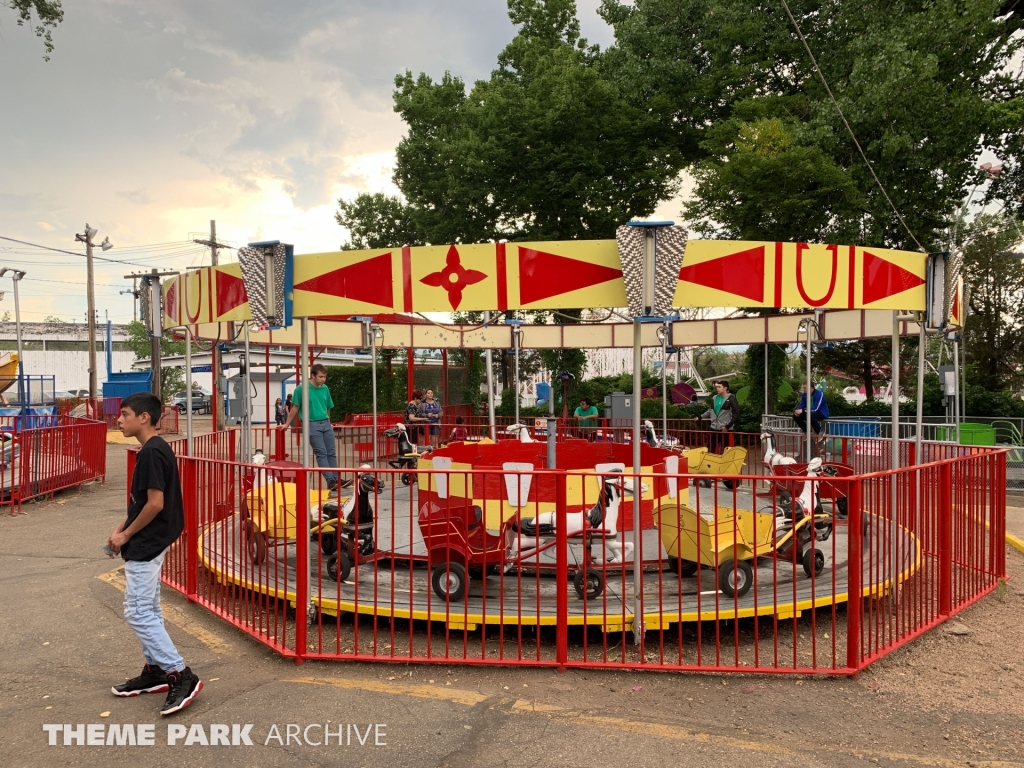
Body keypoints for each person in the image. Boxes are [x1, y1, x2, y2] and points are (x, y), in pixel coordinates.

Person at [107, 392, 203, 716]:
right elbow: (139, 504)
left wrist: (126, 535)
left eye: (124, 414)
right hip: (149, 540)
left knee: (137, 611)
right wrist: (120, 530)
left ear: (143, 417)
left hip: (148, 543)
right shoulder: (155, 448)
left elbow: (155, 504)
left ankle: (180, 674)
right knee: (147, 607)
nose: (119, 420)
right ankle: (157, 670)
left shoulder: (151, 453)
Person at [280, 363, 339, 497]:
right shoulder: (301, 389)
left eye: (324, 377)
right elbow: (295, 408)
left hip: (325, 422)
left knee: (331, 452)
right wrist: (286, 424)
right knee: (322, 452)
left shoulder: (325, 388)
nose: (323, 380)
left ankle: (336, 479)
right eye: (320, 377)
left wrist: (329, 422)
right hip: (311, 424)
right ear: (312, 376)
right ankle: (330, 480)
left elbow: (328, 406)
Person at [701, 380, 739, 454]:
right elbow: (710, 410)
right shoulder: (714, 398)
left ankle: (724, 465)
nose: (717, 388)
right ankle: (710, 464)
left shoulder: (731, 399)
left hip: (724, 429)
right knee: (710, 448)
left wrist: (727, 427)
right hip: (713, 428)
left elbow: (736, 414)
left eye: (719, 387)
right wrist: (700, 417)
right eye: (717, 387)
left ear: (725, 388)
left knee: (725, 450)